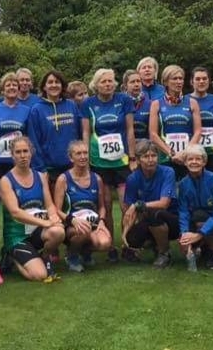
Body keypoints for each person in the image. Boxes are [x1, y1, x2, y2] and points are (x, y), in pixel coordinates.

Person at [82, 68, 136, 262]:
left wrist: (132, 157)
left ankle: (127, 244)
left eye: (111, 81)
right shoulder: (88, 103)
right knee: (104, 205)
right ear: (96, 84)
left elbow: (130, 130)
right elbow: (86, 132)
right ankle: (111, 246)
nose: (108, 84)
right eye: (104, 81)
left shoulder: (124, 100)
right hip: (99, 162)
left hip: (121, 162)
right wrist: (86, 159)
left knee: (125, 205)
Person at [0, 136, 66, 282]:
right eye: (18, 152)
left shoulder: (40, 177)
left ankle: (45, 257)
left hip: (37, 232)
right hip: (17, 236)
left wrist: (54, 218)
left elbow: (49, 205)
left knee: (58, 231)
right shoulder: (6, 181)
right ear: (12, 155)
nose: (22, 156)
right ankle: (11, 255)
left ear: (31, 153)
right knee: (39, 275)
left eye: (25, 151)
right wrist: (44, 223)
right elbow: (15, 212)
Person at [53, 141, 112, 272]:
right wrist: (72, 220)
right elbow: (56, 210)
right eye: (78, 153)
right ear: (70, 157)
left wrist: (102, 221)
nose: (83, 156)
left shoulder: (97, 179)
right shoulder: (63, 179)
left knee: (104, 243)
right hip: (72, 226)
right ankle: (72, 256)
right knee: (83, 231)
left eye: (85, 153)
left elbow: (102, 207)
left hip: (93, 223)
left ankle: (86, 253)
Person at [121, 140, 179, 268]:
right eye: (146, 156)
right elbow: (129, 211)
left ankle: (164, 254)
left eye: (153, 156)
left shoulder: (168, 172)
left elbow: (164, 203)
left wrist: (138, 205)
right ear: (138, 159)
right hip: (147, 220)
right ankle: (153, 243)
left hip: (172, 220)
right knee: (132, 240)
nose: (150, 160)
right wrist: (125, 234)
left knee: (155, 214)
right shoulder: (132, 179)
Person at [28, 70, 82, 187]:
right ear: (44, 87)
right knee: (53, 204)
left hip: (73, 166)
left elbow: (80, 134)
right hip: (49, 168)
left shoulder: (71, 105)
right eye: (50, 82)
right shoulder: (36, 110)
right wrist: (40, 169)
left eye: (57, 82)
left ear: (62, 86)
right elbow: (33, 142)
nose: (54, 85)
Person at [177, 145, 213, 271]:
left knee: (200, 216)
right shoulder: (183, 184)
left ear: (204, 162)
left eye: (198, 159)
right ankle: (201, 248)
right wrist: (184, 234)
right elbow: (183, 211)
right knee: (184, 246)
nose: (194, 162)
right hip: (195, 221)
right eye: (190, 159)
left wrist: (200, 234)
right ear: (185, 162)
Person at [149, 65, 202, 180]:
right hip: (165, 156)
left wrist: (185, 152)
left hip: (188, 156)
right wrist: (171, 153)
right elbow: (153, 134)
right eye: (174, 79)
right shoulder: (156, 104)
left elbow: (198, 131)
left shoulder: (192, 103)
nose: (179, 82)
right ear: (166, 82)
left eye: (181, 78)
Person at [0, 72, 31, 184]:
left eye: (14, 85)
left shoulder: (27, 110)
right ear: (2, 90)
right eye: (8, 85)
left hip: (20, 161)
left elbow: (30, 138)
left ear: (18, 90)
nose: (11, 87)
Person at [189, 67, 213, 176]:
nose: (201, 82)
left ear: (209, 81)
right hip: (193, 151)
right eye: (198, 79)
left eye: (204, 79)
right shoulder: (186, 100)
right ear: (192, 81)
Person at [122, 69, 151, 141]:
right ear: (125, 86)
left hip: (145, 147)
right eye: (132, 82)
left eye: (138, 81)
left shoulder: (150, 104)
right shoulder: (119, 103)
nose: (136, 84)